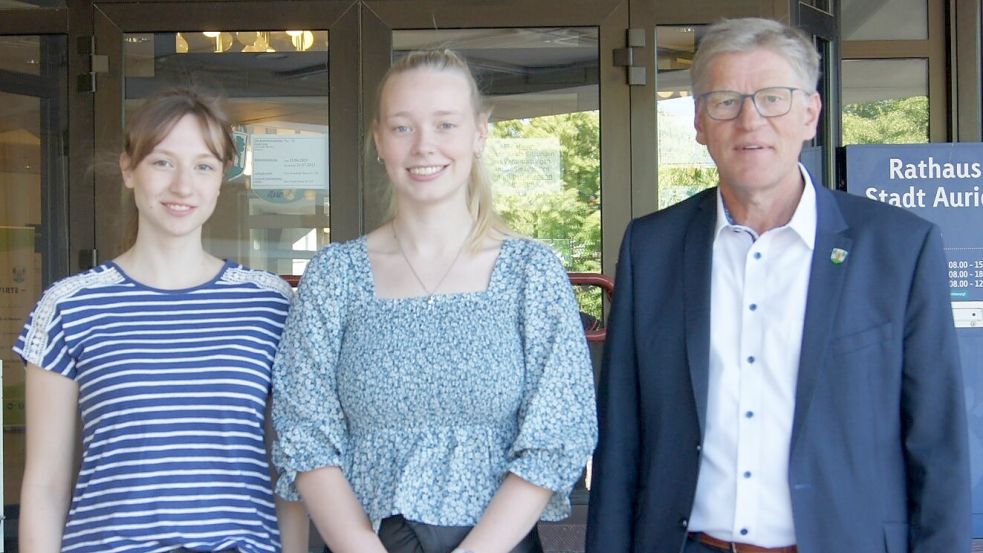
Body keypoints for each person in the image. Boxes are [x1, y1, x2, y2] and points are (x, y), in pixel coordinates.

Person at [586, 17, 970, 553]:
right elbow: (622, 437)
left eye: (773, 98)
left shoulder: (900, 249)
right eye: (725, 101)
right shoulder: (653, 248)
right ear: (699, 121)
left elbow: (938, 442)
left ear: (811, 113)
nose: (750, 121)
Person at [271, 49, 597, 553]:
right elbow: (306, 434)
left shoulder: (531, 272)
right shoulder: (334, 276)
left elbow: (559, 432)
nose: (424, 146)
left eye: (445, 124)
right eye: (403, 127)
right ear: (379, 139)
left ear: (479, 133)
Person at [15, 87, 307, 553]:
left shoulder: (271, 305)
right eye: (162, 162)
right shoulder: (69, 306)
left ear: (221, 179)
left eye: (203, 166)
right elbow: (45, 485)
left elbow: (290, 473)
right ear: (129, 169)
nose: (183, 186)